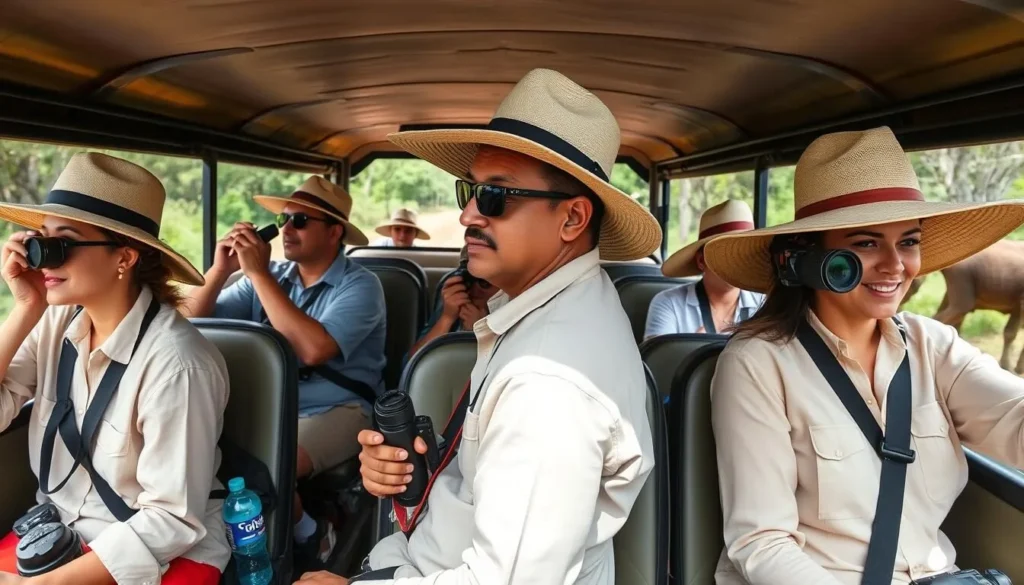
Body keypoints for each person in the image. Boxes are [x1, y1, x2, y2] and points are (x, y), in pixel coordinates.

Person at [298, 68, 661, 585]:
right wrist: (409, 478)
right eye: (469, 190)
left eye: (497, 195)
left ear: (573, 219)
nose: (468, 214)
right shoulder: (546, 309)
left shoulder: (549, 387)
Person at [700, 126, 1024, 585]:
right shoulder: (758, 363)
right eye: (866, 243)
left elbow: (1016, 419)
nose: (895, 265)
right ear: (803, 259)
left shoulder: (932, 345)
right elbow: (761, 543)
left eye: (908, 241)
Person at [0, 153, 230, 585]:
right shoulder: (55, 320)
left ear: (123, 257)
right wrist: (24, 309)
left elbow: (172, 519)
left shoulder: (178, 363)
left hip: (158, 551)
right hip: (59, 532)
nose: (43, 260)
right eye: (40, 241)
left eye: (62, 244)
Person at [181, 176, 386, 569]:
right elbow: (188, 321)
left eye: (300, 221)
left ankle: (311, 534)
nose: (287, 229)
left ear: (334, 232)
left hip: (339, 408)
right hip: (273, 404)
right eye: (285, 220)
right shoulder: (273, 278)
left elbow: (313, 350)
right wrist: (221, 270)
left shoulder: (361, 286)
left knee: (270, 463)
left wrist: (258, 274)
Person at [645, 199, 764, 338]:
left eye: (745, 252)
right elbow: (657, 358)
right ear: (701, 260)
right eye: (728, 252)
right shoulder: (669, 304)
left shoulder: (764, 304)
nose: (738, 260)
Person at [406, 247, 495, 360]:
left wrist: (480, 333)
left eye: (484, 282)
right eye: (468, 280)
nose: (473, 289)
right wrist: (447, 318)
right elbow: (412, 363)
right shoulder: (455, 298)